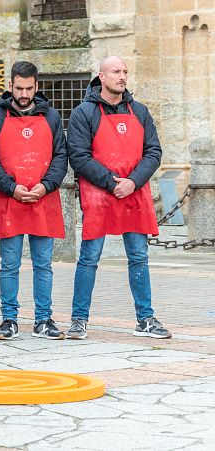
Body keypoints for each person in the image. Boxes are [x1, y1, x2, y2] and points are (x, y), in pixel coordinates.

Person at [66, 56, 171, 340]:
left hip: (134, 194)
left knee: (139, 256)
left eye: (125, 71)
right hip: (99, 195)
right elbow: (78, 155)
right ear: (101, 76)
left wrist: (133, 181)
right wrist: (113, 183)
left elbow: (154, 152)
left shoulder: (140, 111)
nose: (122, 76)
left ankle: (145, 318)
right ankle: (78, 319)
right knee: (89, 258)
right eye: (116, 71)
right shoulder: (83, 113)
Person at [0, 61, 68, 340]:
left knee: (43, 264)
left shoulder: (52, 117)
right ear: (10, 85)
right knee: (9, 264)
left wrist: (45, 185)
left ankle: (44, 319)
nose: (23, 93)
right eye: (19, 88)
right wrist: (11, 187)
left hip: (44, 199)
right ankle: (9, 319)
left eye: (29, 88)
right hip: (10, 200)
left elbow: (60, 157)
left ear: (37, 87)